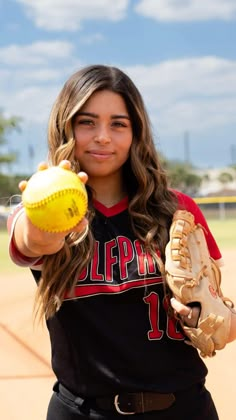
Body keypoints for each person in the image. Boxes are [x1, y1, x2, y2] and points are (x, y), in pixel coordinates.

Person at [7, 64, 236, 420]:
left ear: (136, 133)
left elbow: (226, 320)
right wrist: (46, 225)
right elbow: (33, 240)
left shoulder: (178, 209)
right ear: (65, 127)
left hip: (184, 409)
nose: (102, 136)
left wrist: (205, 314)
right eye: (87, 122)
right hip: (83, 412)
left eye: (118, 123)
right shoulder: (42, 212)